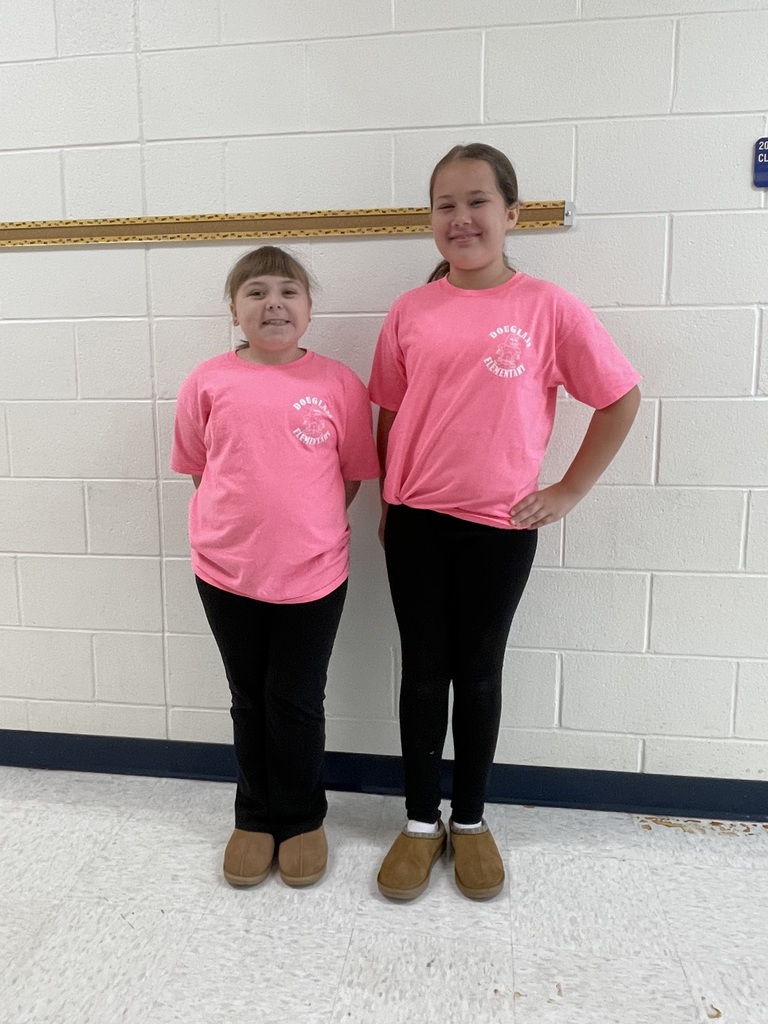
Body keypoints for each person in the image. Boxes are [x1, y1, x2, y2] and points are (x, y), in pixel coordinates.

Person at [369, 144, 641, 901]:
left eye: (477, 202)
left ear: (512, 214)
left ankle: (473, 819)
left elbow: (619, 397)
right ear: (431, 220)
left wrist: (569, 491)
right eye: (444, 205)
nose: (460, 218)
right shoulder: (410, 311)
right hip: (417, 523)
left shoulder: (547, 307)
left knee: (479, 672)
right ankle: (422, 823)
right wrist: (389, 502)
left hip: (500, 528)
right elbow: (389, 415)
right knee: (423, 674)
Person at [172, 246, 379, 889]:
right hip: (225, 572)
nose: (273, 304)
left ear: (309, 310)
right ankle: (254, 816)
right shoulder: (206, 382)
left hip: (314, 575)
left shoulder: (338, 384)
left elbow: (350, 475)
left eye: (288, 292)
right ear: (235, 310)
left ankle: (301, 818)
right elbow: (202, 471)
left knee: (296, 700)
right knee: (249, 699)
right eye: (255, 292)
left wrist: (305, 531)